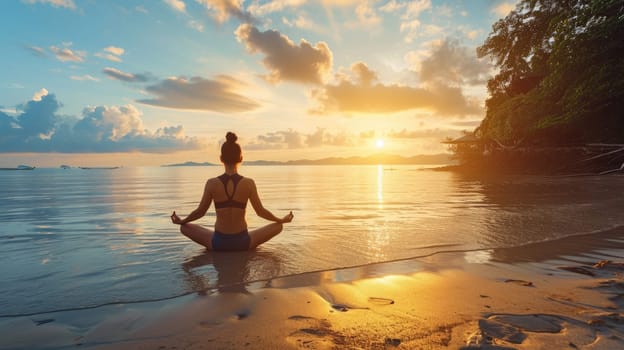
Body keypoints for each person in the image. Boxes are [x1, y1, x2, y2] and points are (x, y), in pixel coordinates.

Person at [171, 132, 293, 251]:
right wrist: (281, 220)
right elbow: (260, 212)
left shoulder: (211, 183)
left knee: (184, 228)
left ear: (221, 159)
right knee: (278, 226)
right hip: (243, 242)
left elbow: (200, 212)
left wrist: (182, 221)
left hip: (218, 243)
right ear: (241, 158)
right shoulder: (249, 183)